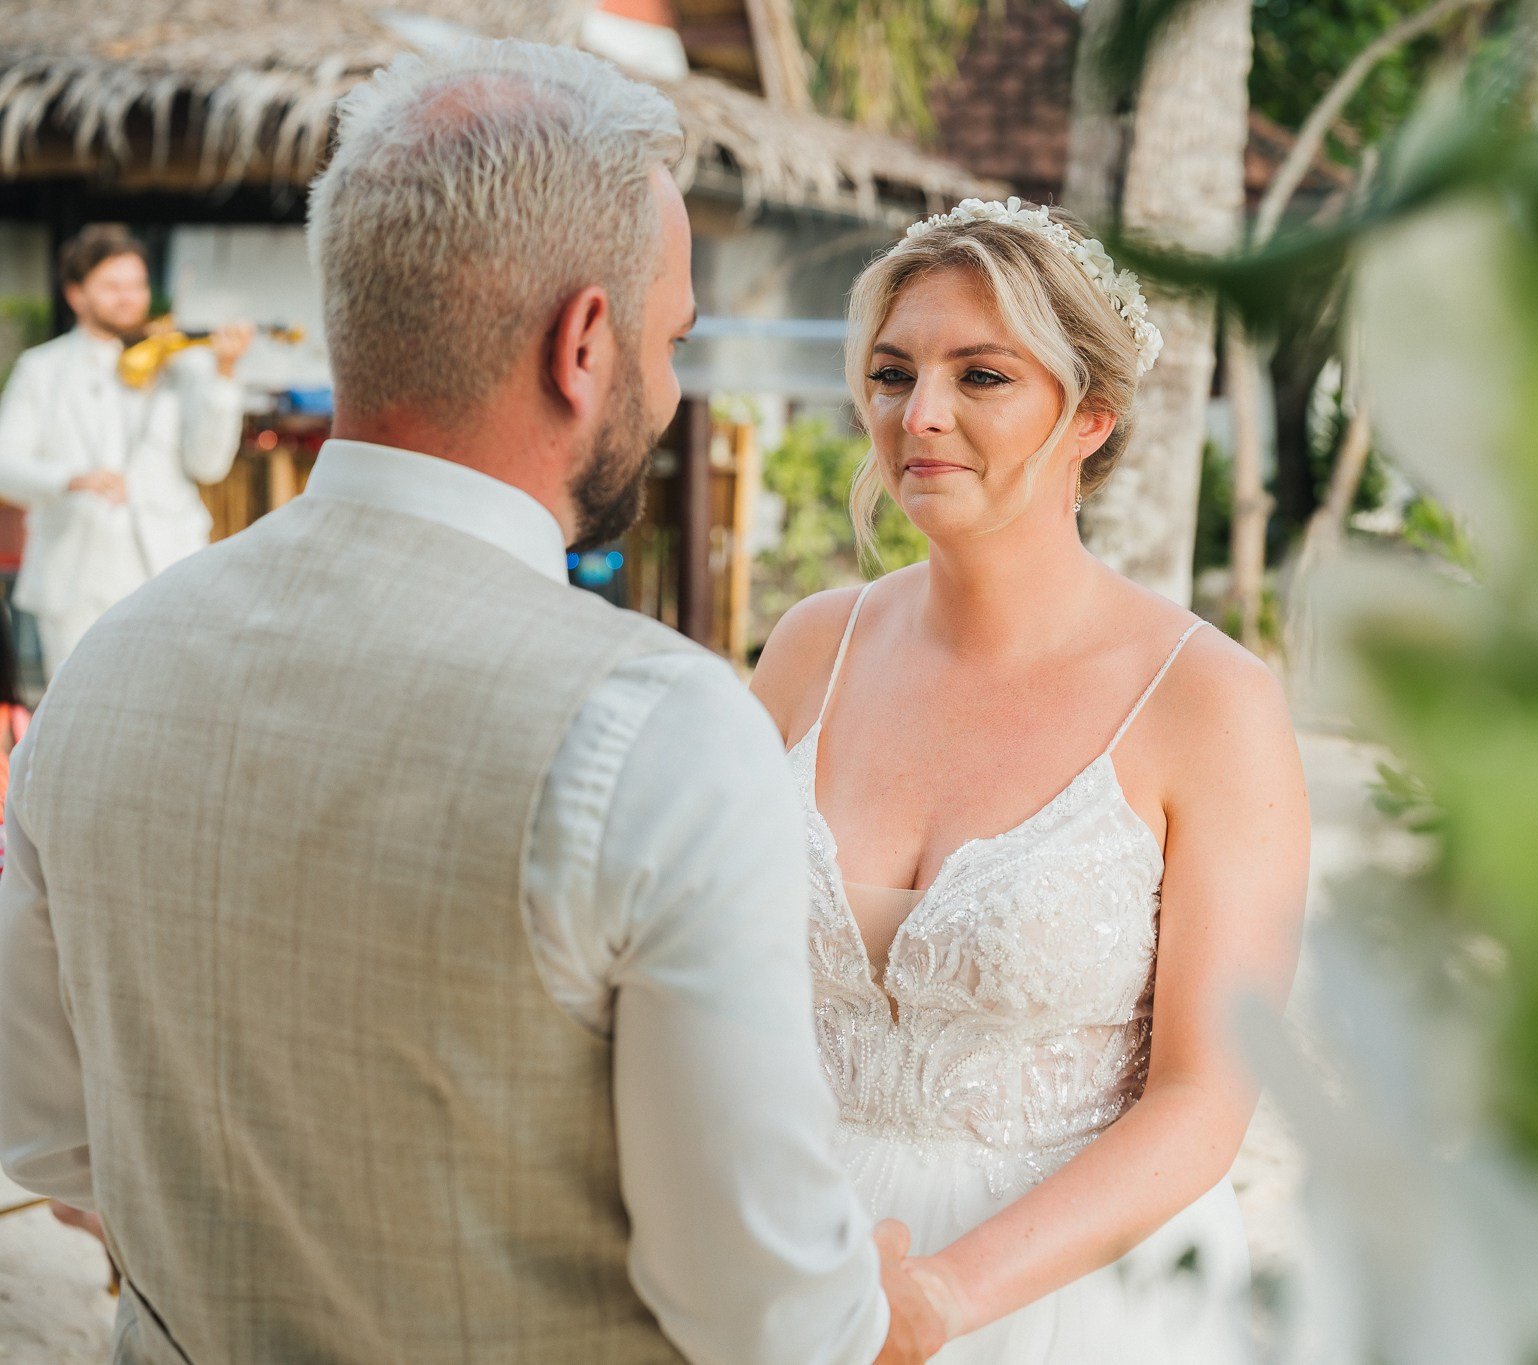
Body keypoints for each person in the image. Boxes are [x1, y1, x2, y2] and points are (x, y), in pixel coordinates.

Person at [0, 40, 940, 1365]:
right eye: (667, 341)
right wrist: (890, 1306)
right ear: (583, 345)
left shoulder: (107, 667)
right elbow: (765, 1312)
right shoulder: (658, 726)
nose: (667, 392)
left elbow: (50, 1134)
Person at [750, 198, 1312, 1362]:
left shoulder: (1207, 702)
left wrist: (944, 1300)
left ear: (1091, 416)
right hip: (793, 1269)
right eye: (893, 373)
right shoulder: (810, 650)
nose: (923, 416)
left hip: (1066, 1301)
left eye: (983, 376)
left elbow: (1205, 1097)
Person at [0, 225, 252, 674]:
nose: (129, 299)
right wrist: (70, 479)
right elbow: (6, 466)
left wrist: (223, 376)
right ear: (76, 295)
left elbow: (210, 465)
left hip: (168, 568)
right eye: (113, 287)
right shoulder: (42, 369)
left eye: (136, 286)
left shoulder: (182, 364)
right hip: (75, 579)